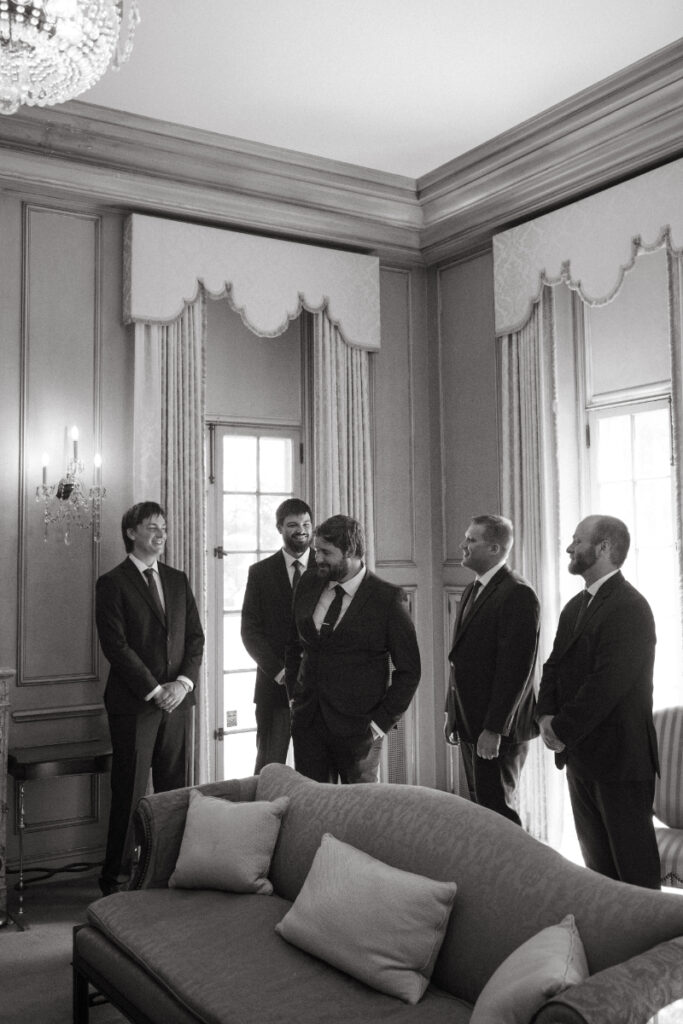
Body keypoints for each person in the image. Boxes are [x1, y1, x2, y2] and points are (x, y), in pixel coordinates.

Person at [537, 514, 661, 889]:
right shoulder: (575, 606)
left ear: (604, 547)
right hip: (581, 758)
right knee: (598, 877)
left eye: (578, 540)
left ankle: (653, 933)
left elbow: (606, 685)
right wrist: (544, 716)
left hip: (620, 761)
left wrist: (560, 729)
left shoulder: (630, 607)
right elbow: (554, 666)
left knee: (635, 879)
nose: (569, 547)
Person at [95, 501, 204, 896]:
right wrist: (156, 690)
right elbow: (116, 646)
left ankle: (169, 872)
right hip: (134, 705)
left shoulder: (177, 579)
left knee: (175, 793)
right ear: (131, 532)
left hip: (178, 704)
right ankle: (115, 882)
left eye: (164, 528)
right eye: (152, 527)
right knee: (129, 794)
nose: (161, 534)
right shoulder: (112, 582)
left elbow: (195, 639)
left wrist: (182, 685)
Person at [285, 514, 421, 784]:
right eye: (316, 550)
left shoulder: (387, 598)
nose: (317, 558)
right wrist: (293, 698)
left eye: (326, 552)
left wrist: (379, 725)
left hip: (360, 731)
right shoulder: (308, 582)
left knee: (360, 807)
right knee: (311, 804)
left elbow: (410, 671)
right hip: (307, 723)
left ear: (351, 551)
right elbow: (293, 644)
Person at [444, 514, 540, 825]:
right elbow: (460, 657)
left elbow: (516, 670)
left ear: (495, 548)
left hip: (497, 730)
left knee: (499, 815)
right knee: (482, 811)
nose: (463, 545)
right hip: (470, 723)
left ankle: (515, 861)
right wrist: (452, 713)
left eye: (471, 540)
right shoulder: (473, 589)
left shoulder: (518, 593)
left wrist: (495, 729)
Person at [241, 498, 315, 773]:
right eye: (293, 525)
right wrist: (281, 673)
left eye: (306, 524)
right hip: (273, 689)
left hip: (318, 692)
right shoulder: (260, 573)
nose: (301, 530)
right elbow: (249, 631)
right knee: (268, 769)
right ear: (279, 528)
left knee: (315, 774)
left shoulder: (326, 569)